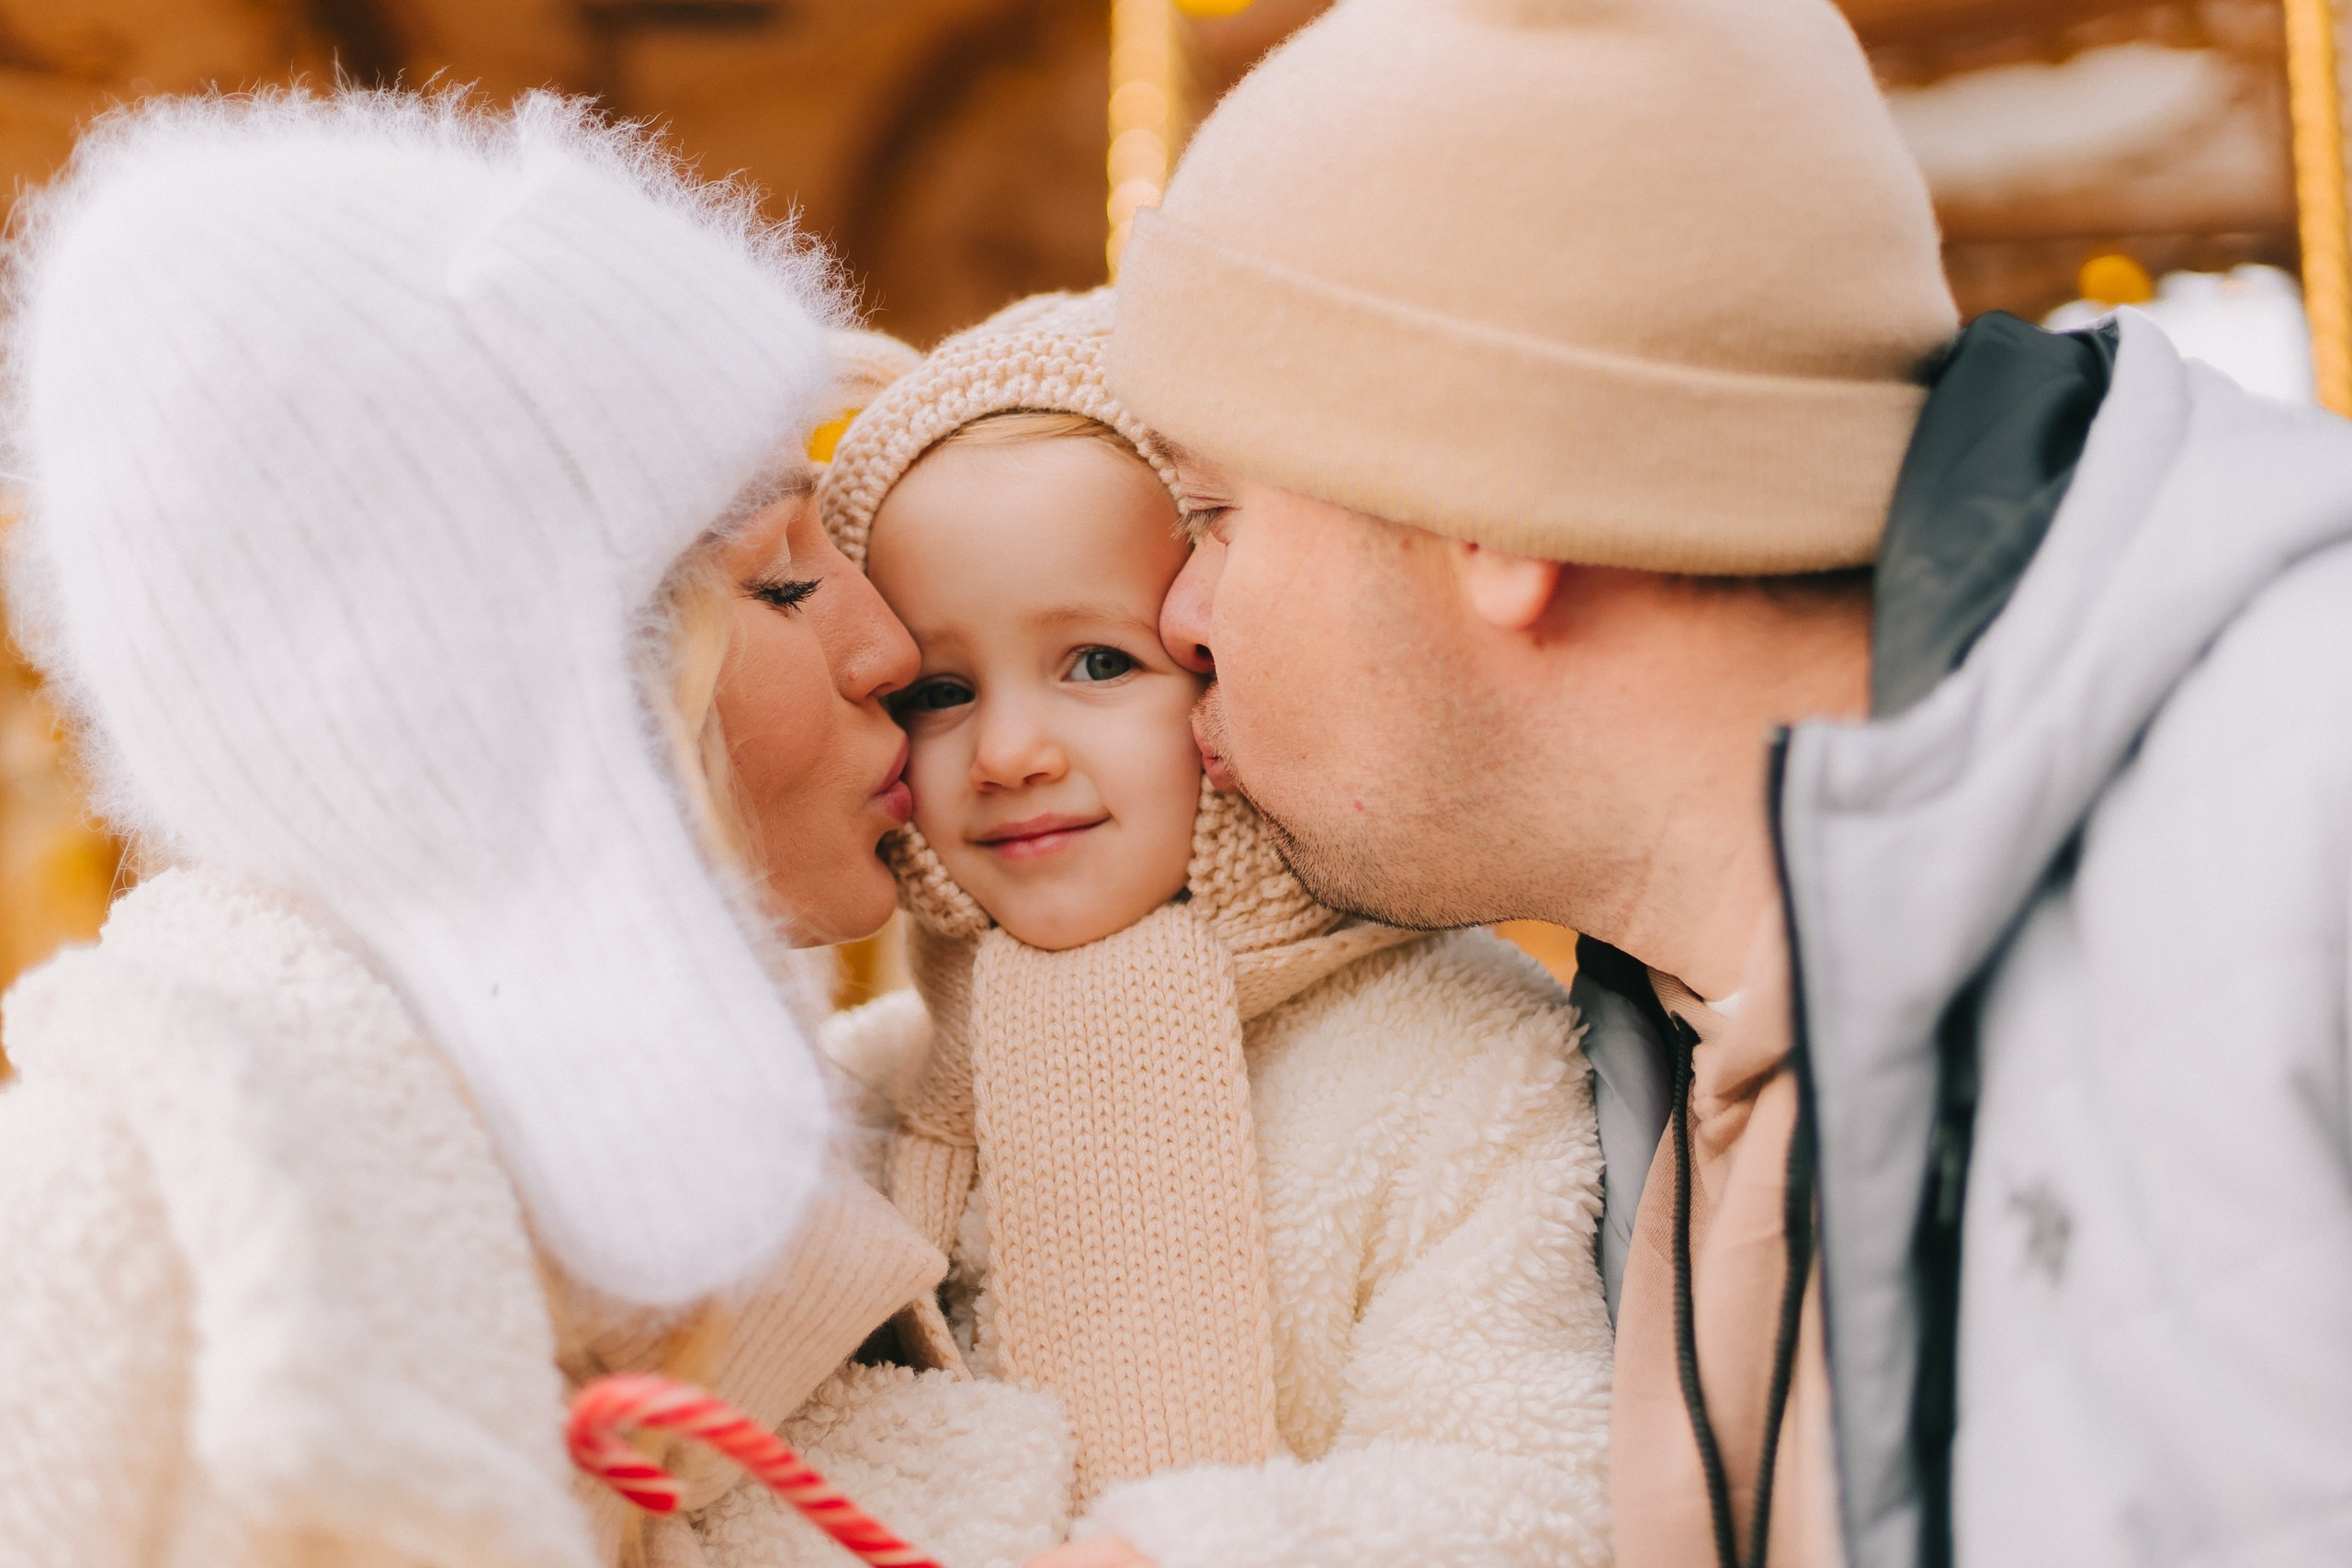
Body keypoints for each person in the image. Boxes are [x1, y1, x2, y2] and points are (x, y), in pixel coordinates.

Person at [1105, 1, 2352, 1566]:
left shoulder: (2306, 797)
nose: (1179, 619)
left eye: (1217, 515)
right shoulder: (1673, 1056)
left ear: (1490, 507)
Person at [0, 90, 1063, 1568]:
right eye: (779, 580)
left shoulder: (913, 1178)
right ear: (505, 707)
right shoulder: (101, 1250)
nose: (894, 646)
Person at [806, 290, 1613, 1568]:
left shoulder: (1463, 1062)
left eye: (1099, 664)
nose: (1012, 753)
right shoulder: (859, 1101)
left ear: (1223, 660)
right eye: (944, 691)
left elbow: (1536, 1488)